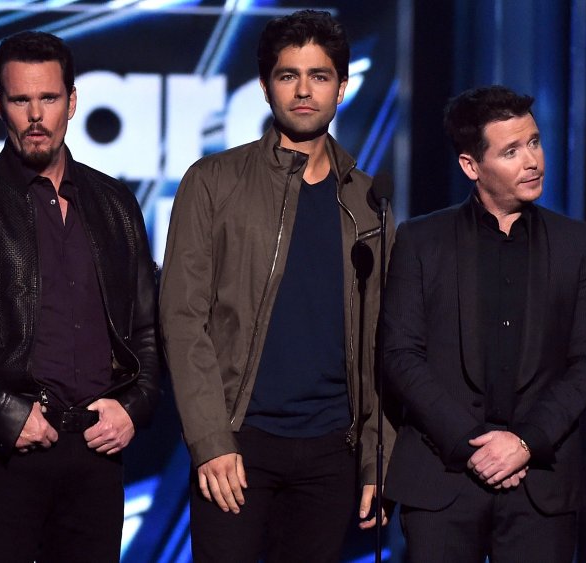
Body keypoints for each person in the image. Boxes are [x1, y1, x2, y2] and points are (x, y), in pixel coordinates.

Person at [0, 31, 161, 562]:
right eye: (21, 100)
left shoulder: (115, 203)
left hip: (97, 450)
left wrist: (136, 407)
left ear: (72, 102)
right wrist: (5, 412)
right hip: (5, 453)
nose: (36, 115)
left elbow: (146, 325)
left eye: (48, 98)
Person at [159, 9, 392, 563]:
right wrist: (211, 442)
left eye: (320, 76)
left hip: (332, 451)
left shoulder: (367, 200)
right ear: (265, 87)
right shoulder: (212, 181)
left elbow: (384, 338)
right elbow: (181, 318)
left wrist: (375, 458)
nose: (304, 91)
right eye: (289, 75)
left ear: (342, 88)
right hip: (240, 443)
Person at [381, 85, 586, 562]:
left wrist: (525, 443)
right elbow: (400, 356)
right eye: (511, 151)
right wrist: (474, 447)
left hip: (539, 482)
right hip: (442, 479)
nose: (533, 161)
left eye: (534, 142)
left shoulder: (577, 244)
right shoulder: (422, 240)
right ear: (471, 166)